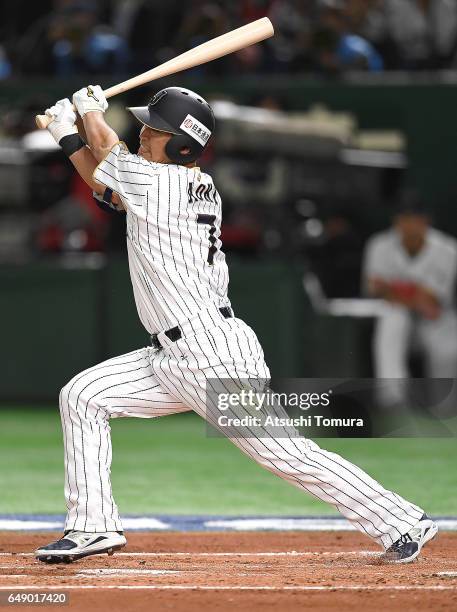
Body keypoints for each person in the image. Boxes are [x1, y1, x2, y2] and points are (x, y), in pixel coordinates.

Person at [35, 85, 437, 564]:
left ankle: (401, 520)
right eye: (145, 126)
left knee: (286, 455)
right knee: (83, 396)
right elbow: (105, 183)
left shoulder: (164, 185)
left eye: (155, 129)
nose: (144, 134)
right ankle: (92, 527)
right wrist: (66, 132)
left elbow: (107, 154)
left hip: (209, 353)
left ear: (182, 144)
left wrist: (87, 111)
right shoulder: (165, 181)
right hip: (170, 354)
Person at [363, 193, 457, 403]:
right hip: (400, 316)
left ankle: (446, 410)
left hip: (436, 321)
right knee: (392, 318)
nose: (408, 225)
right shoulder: (379, 244)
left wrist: (394, 288)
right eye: (403, 218)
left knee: (448, 345)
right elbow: (375, 290)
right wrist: (414, 292)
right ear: (396, 221)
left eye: (415, 218)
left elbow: (434, 303)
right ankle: (392, 398)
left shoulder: (448, 248)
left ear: (426, 221)